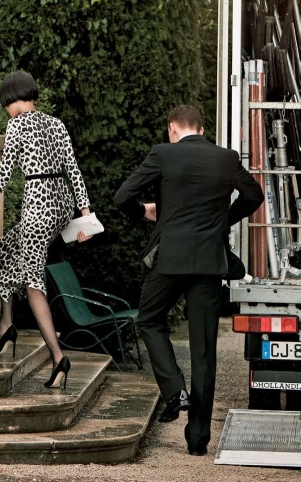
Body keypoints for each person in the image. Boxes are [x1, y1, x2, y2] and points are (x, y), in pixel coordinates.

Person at [113, 104, 264, 456]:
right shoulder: (225, 158)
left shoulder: (163, 154)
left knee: (149, 320)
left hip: (169, 260)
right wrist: (224, 219)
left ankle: (173, 390)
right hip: (210, 262)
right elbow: (253, 196)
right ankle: (197, 441)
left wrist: (148, 212)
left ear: (172, 128)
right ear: (200, 128)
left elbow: (123, 197)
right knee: (205, 352)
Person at [0, 70, 93, 389]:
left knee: (34, 282)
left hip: (38, 207)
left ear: (11, 98)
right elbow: (73, 169)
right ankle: (7, 326)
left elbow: (5, 172)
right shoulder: (56, 123)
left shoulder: (16, 124)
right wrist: (86, 216)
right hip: (61, 205)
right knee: (2, 254)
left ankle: (58, 358)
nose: (6, 110)